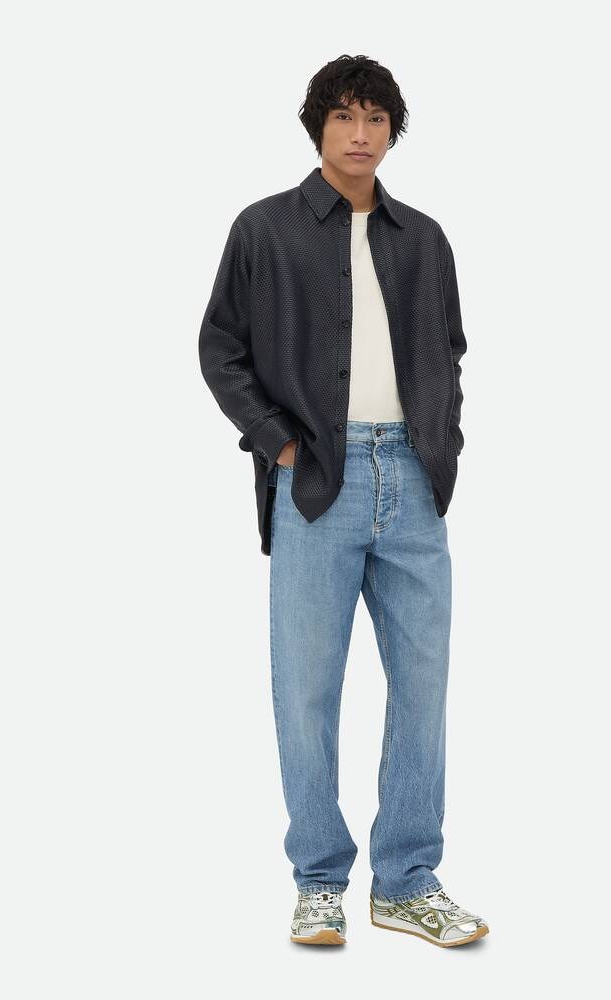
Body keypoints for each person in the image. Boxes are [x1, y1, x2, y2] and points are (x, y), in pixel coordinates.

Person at [198, 54, 488, 948]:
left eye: (375, 120)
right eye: (343, 117)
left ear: (392, 132)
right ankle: (319, 880)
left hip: (411, 480)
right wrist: (280, 443)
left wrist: (439, 446)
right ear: (318, 126)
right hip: (316, 482)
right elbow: (219, 349)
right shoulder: (264, 229)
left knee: (423, 689)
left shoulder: (423, 238)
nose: (360, 136)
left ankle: (406, 880)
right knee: (306, 692)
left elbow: (450, 350)